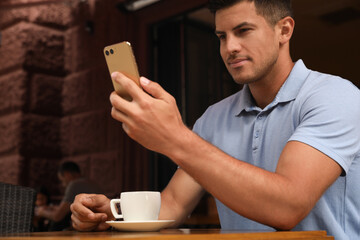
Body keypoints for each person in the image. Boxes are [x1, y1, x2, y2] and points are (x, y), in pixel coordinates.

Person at [70, 0, 360, 239]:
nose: (229, 47)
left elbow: (287, 206)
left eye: (243, 30)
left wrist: (176, 138)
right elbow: (172, 205)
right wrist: (113, 215)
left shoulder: (336, 96)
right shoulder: (214, 117)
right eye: (222, 36)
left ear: (284, 30)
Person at [35, 161, 103, 231]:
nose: (63, 185)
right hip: (100, 225)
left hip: (89, 226)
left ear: (67, 174)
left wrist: (41, 211)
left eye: (62, 180)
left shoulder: (75, 184)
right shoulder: (92, 183)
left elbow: (58, 216)